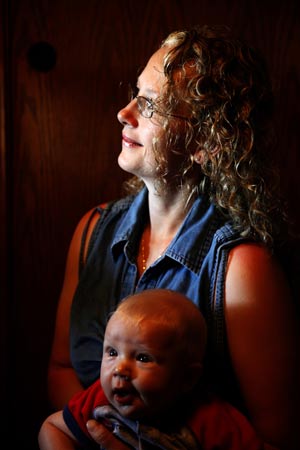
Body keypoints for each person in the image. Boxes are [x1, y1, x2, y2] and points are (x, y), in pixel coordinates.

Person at [46, 25, 300, 450]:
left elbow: (280, 439)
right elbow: (60, 368)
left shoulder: (243, 266)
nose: (124, 113)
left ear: (206, 143)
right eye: (135, 93)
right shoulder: (91, 231)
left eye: (150, 105)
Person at [39, 288, 265, 450]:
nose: (120, 368)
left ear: (187, 378)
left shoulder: (212, 421)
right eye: (112, 353)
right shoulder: (99, 400)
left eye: (143, 357)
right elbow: (52, 428)